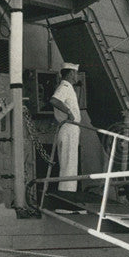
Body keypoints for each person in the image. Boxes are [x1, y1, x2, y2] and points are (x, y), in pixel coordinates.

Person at [49, 62, 82, 199]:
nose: (76, 76)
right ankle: (66, 199)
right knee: (69, 165)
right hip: (69, 127)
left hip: (69, 128)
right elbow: (54, 100)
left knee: (69, 164)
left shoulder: (68, 87)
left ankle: (67, 197)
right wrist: (69, 112)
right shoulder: (65, 86)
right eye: (75, 73)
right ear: (71, 73)